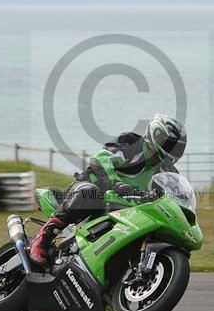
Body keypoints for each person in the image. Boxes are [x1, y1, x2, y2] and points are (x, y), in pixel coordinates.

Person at [29, 113, 187, 267]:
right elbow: (101, 158)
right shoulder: (132, 144)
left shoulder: (167, 173)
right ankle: (43, 239)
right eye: (170, 145)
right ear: (156, 137)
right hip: (93, 193)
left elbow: (172, 200)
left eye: (177, 148)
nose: (172, 151)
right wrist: (115, 182)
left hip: (126, 211)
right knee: (88, 192)